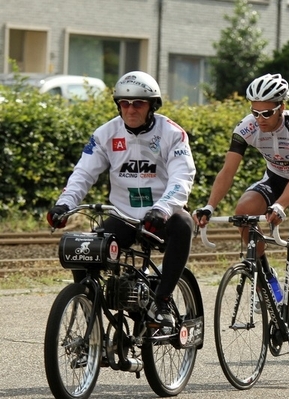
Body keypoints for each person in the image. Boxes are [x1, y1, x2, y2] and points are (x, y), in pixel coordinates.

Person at [193, 73, 289, 367]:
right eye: (255, 111)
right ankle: (269, 282)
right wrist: (209, 206)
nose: (260, 118)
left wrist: (280, 207)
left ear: (282, 106)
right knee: (244, 214)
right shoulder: (247, 127)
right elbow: (227, 172)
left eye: (266, 112)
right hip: (274, 179)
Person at [46, 71, 196, 327]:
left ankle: (161, 301)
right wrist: (65, 204)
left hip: (161, 216)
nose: (130, 109)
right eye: (124, 103)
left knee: (184, 225)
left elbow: (182, 177)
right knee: (81, 250)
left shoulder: (172, 134)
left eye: (138, 103)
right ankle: (92, 318)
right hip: (123, 217)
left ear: (152, 106)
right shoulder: (105, 133)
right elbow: (83, 173)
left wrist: (162, 209)